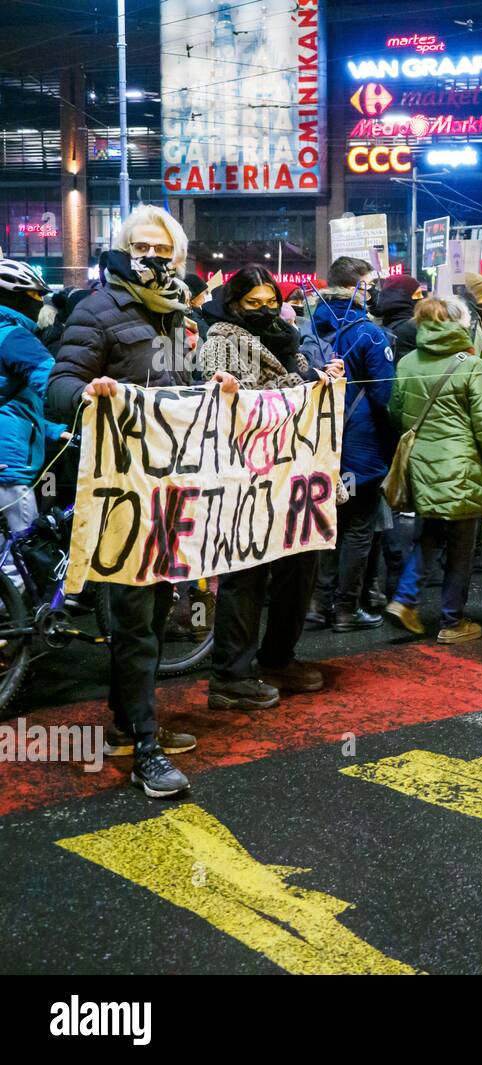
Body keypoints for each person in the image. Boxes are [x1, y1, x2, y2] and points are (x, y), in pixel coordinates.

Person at [48, 205, 235, 798]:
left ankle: (127, 724)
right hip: (119, 491)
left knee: (152, 615)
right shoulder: (96, 310)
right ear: (123, 248)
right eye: (142, 246)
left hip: (168, 488)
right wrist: (90, 391)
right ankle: (147, 749)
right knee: (134, 620)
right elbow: (57, 390)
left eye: (164, 249)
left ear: (178, 258)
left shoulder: (179, 318)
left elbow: (176, 392)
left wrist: (213, 391)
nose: (153, 256)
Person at [198, 266, 345, 710]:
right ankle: (231, 676)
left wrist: (323, 376)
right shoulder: (222, 340)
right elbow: (230, 405)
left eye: (269, 302)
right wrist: (299, 386)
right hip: (247, 476)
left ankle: (278, 657)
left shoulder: (285, 334)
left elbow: (299, 378)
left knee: (300, 567)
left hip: (292, 472)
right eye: (253, 303)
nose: (264, 311)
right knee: (246, 574)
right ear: (234, 302)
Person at [385, 297, 482, 641]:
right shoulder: (472, 365)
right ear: (459, 324)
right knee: (460, 549)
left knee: (427, 537)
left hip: (422, 467)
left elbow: (395, 413)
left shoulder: (408, 361)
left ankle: (405, 599)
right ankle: (452, 622)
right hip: (463, 469)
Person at [306, 256, 397, 631]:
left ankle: (317, 603)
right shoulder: (369, 334)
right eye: (370, 282)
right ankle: (346, 609)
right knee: (358, 526)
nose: (374, 289)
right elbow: (383, 395)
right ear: (356, 286)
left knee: (326, 523)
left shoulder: (308, 328)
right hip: (361, 445)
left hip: (319, 442)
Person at [0, 259, 66, 585]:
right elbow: (54, 382)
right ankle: (15, 629)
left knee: (4, 554)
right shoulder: (14, 337)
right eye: (35, 296)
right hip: (9, 464)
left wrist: (55, 430)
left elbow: (15, 404)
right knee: (21, 555)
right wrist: (89, 399)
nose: (40, 303)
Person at [374, 274, 425, 358]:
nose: (422, 298)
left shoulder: (383, 324)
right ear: (402, 297)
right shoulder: (416, 327)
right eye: (418, 294)